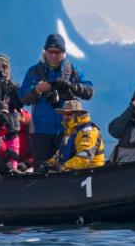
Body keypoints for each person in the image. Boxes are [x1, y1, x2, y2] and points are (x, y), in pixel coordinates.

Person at [19, 33, 93, 167]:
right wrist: (37, 89)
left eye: (57, 52)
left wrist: (72, 86)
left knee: (67, 169)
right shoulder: (34, 72)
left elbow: (89, 91)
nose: (53, 55)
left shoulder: (72, 71)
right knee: (41, 171)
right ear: (45, 51)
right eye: (50, 52)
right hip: (41, 132)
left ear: (63, 53)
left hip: (67, 130)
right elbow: (23, 97)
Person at [44, 99, 104, 171]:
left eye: (69, 114)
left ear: (78, 114)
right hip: (74, 174)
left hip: (92, 174)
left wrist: (63, 168)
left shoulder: (88, 132)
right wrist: (48, 163)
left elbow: (83, 159)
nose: (65, 117)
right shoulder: (70, 131)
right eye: (64, 114)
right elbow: (61, 154)